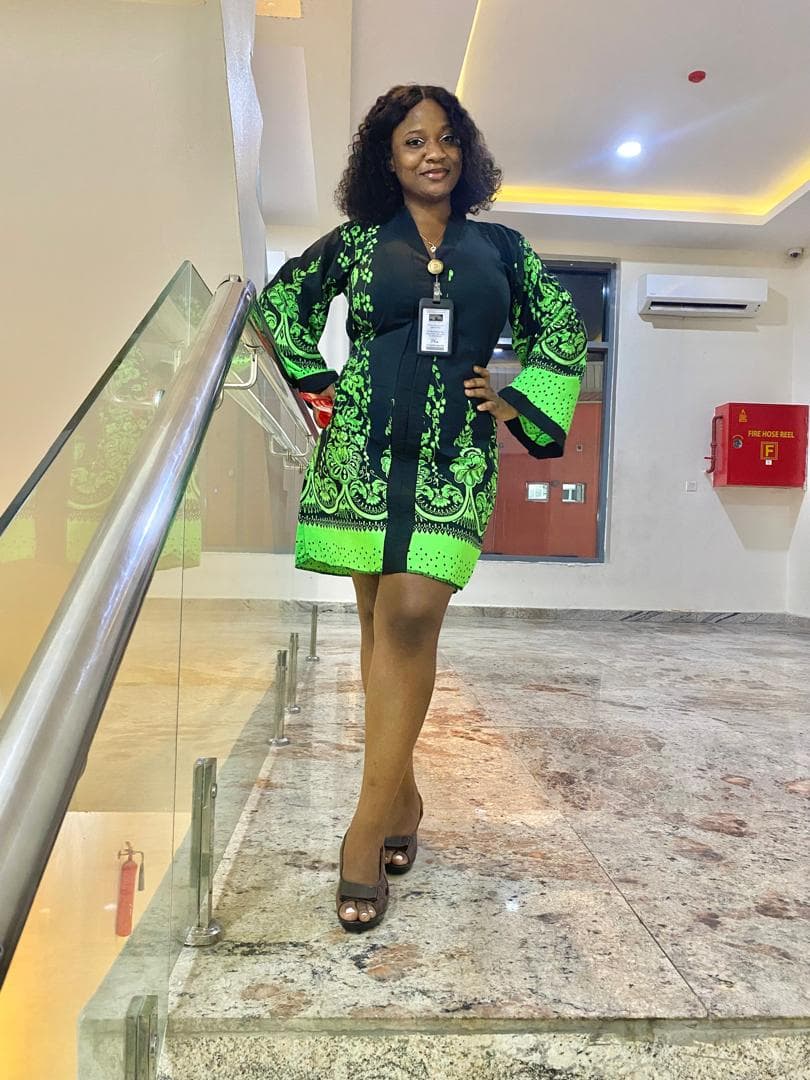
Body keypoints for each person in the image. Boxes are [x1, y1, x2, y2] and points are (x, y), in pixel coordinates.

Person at [255, 84, 587, 932]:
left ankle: (365, 829)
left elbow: (562, 332)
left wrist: (515, 402)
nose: (431, 153)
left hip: (451, 460)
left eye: (444, 140)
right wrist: (323, 390)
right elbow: (280, 306)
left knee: (406, 617)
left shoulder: (503, 249)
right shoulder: (359, 245)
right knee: (376, 632)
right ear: (387, 159)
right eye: (411, 142)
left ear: (464, 153)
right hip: (361, 459)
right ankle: (403, 801)